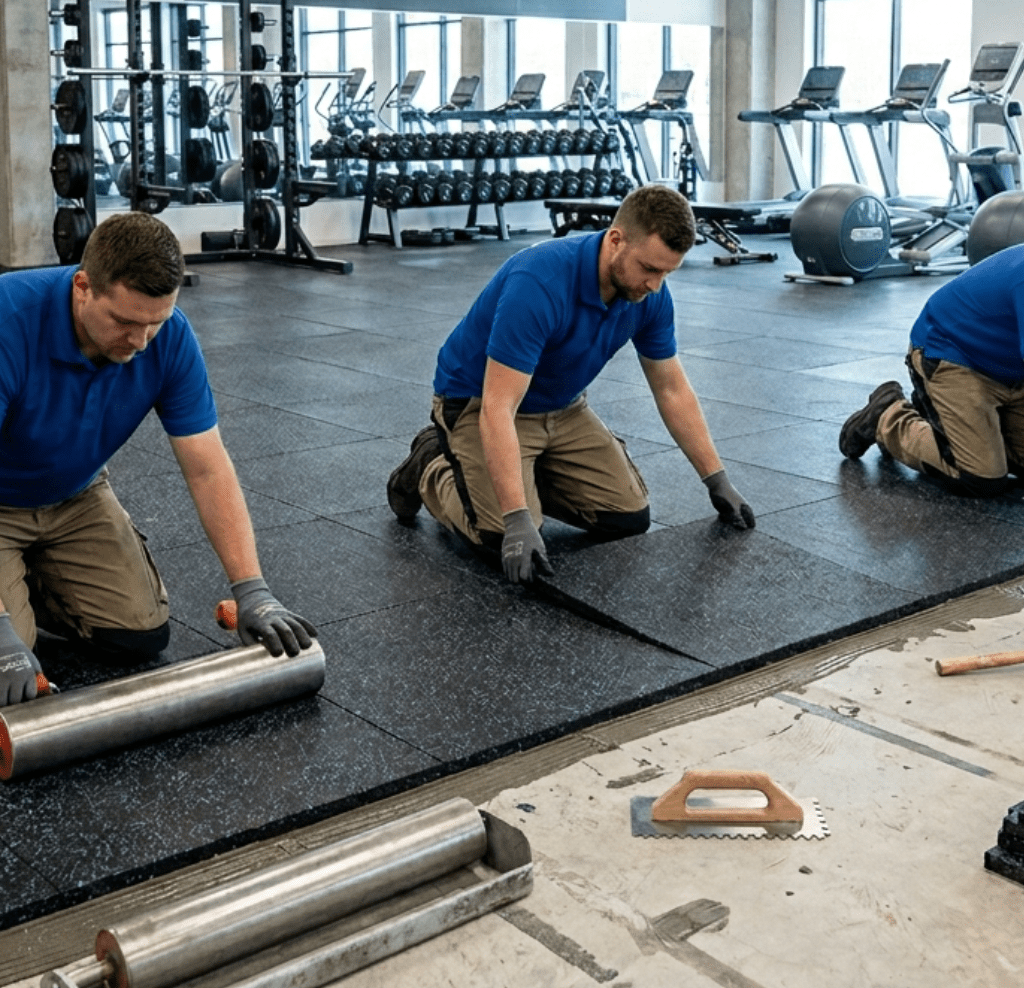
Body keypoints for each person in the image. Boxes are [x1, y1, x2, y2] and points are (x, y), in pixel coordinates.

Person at [0, 212, 316, 707]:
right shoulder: (8, 321)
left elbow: (208, 468)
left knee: (138, 635)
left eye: (155, 322)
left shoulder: (168, 337)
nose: (140, 342)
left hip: (75, 492)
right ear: (83, 287)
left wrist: (252, 588)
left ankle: (27, 581)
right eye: (125, 322)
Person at [386, 184, 755, 583]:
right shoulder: (539, 282)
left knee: (628, 519)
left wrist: (716, 480)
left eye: (667, 272)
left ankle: (518, 471)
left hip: (563, 408)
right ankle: (433, 467)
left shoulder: (650, 297)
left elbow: (671, 389)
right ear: (616, 240)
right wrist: (516, 517)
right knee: (499, 538)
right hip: (477, 402)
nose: (656, 285)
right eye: (649, 268)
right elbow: (498, 407)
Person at [839, 243, 1024, 496]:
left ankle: (972, 428)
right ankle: (889, 416)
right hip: (953, 355)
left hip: (1010, 370)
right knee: (983, 477)